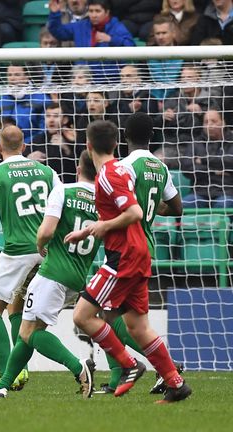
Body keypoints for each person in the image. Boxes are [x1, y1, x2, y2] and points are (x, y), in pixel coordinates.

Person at [66, 120, 191, 403]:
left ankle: (129, 365)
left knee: (82, 316)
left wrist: (102, 228)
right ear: (114, 143)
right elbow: (164, 207)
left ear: (88, 145)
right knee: (135, 325)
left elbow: (133, 211)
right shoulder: (145, 168)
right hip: (139, 250)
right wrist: (87, 230)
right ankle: (176, 383)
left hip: (125, 255)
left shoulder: (114, 172)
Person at [0, 151, 99, 399]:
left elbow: (44, 229)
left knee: (19, 327)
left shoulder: (62, 190)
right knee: (23, 321)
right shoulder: (98, 198)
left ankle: (77, 367)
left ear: (78, 168)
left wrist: (39, 243)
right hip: (72, 268)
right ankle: (3, 385)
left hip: (39, 263)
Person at [97, 112, 184, 394]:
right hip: (147, 245)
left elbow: (125, 206)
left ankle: (130, 369)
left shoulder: (124, 167)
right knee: (130, 320)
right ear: (152, 136)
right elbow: (177, 208)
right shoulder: (160, 167)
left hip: (126, 246)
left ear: (124, 136)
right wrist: (155, 207)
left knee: (100, 315)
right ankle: (166, 373)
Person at [0, 125, 62, 390]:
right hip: (45, 250)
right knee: (18, 308)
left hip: (15, 252)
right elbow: (61, 209)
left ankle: (8, 373)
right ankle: (21, 368)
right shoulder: (49, 173)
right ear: (24, 147)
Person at [47, 0, 135, 83]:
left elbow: (131, 47)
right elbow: (59, 32)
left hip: (110, 81)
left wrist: (111, 40)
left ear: (107, 12)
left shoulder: (117, 27)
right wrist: (55, 14)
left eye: (97, 11)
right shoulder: (81, 26)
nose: (94, 15)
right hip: (83, 81)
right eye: (91, 11)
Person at [180, 109, 233, 208]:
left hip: (227, 192)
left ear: (223, 122)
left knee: (223, 205)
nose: (210, 125)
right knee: (182, 205)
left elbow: (230, 162)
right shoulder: (195, 143)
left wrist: (204, 160)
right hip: (200, 192)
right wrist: (214, 171)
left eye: (214, 121)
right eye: (206, 122)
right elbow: (187, 168)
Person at [0, 65, 50, 146]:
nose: (12, 78)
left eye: (17, 75)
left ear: (27, 77)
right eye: (9, 75)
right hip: (3, 148)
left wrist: (22, 145)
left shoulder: (41, 99)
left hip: (32, 146)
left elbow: (44, 130)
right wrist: (0, 146)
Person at [27, 103, 81, 184]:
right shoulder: (37, 140)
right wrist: (29, 159)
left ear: (65, 120)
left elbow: (81, 167)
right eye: (48, 116)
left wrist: (66, 148)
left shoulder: (74, 139)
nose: (51, 120)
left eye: (56, 116)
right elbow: (22, 160)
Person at [148, 15, 183, 100]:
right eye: (157, 33)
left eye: (164, 33)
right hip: (152, 100)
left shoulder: (184, 55)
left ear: (173, 33)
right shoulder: (147, 56)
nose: (160, 37)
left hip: (178, 99)